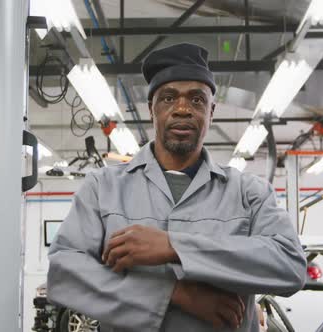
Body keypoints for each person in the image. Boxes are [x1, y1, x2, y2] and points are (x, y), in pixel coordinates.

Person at [47, 43, 306, 332]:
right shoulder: (102, 188)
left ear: (211, 112)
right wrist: (172, 294)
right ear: (151, 109)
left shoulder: (249, 192)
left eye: (197, 100)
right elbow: (64, 275)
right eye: (169, 98)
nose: (182, 109)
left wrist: (173, 247)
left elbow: (290, 266)